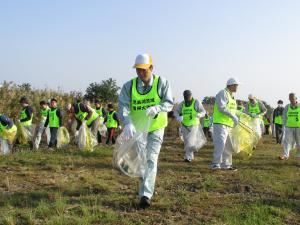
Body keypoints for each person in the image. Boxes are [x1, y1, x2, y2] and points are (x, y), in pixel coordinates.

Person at [118, 53, 173, 209]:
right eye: (138, 70)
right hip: (138, 129)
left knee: (151, 158)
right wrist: (127, 123)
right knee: (141, 159)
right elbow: (123, 106)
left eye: (144, 70)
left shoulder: (162, 83)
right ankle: (143, 189)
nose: (141, 73)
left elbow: (169, 102)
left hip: (156, 127)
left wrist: (158, 108)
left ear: (151, 68)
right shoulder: (129, 86)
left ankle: (145, 194)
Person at [211, 78, 241, 171]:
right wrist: (233, 116)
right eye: (236, 85)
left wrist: (239, 116)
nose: (237, 87)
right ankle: (216, 164)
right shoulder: (222, 93)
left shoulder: (232, 97)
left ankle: (226, 165)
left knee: (228, 145)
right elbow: (221, 108)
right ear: (231, 85)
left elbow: (233, 110)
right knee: (220, 144)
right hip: (220, 123)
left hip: (228, 124)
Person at [174, 90, 206, 162]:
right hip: (184, 125)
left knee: (190, 140)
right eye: (185, 97)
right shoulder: (182, 104)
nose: (187, 98)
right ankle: (191, 154)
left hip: (194, 125)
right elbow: (176, 111)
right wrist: (178, 116)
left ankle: (188, 157)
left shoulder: (196, 102)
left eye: (188, 96)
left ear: (191, 95)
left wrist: (199, 114)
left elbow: (203, 111)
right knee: (186, 141)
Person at [279, 93, 300, 160]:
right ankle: (285, 155)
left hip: (298, 127)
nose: (291, 101)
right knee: (286, 141)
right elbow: (284, 117)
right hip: (289, 127)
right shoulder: (287, 107)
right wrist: (283, 126)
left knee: (298, 141)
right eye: (290, 99)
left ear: (296, 98)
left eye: (293, 99)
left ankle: (299, 155)